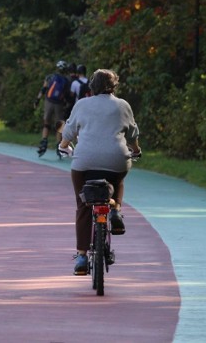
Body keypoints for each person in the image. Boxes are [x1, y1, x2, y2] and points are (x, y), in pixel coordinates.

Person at [58, 69, 141, 275]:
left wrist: (64, 145)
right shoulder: (123, 105)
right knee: (118, 178)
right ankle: (115, 209)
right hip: (117, 160)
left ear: (92, 86)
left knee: (83, 205)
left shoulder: (82, 104)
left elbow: (68, 133)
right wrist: (136, 150)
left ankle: (82, 258)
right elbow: (132, 133)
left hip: (85, 163)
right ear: (114, 86)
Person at [34, 60, 72, 157]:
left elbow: (43, 89)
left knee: (46, 123)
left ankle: (44, 142)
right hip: (59, 104)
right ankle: (59, 146)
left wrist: (37, 100)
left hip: (48, 102)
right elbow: (67, 95)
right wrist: (69, 105)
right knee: (59, 125)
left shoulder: (50, 77)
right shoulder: (67, 80)